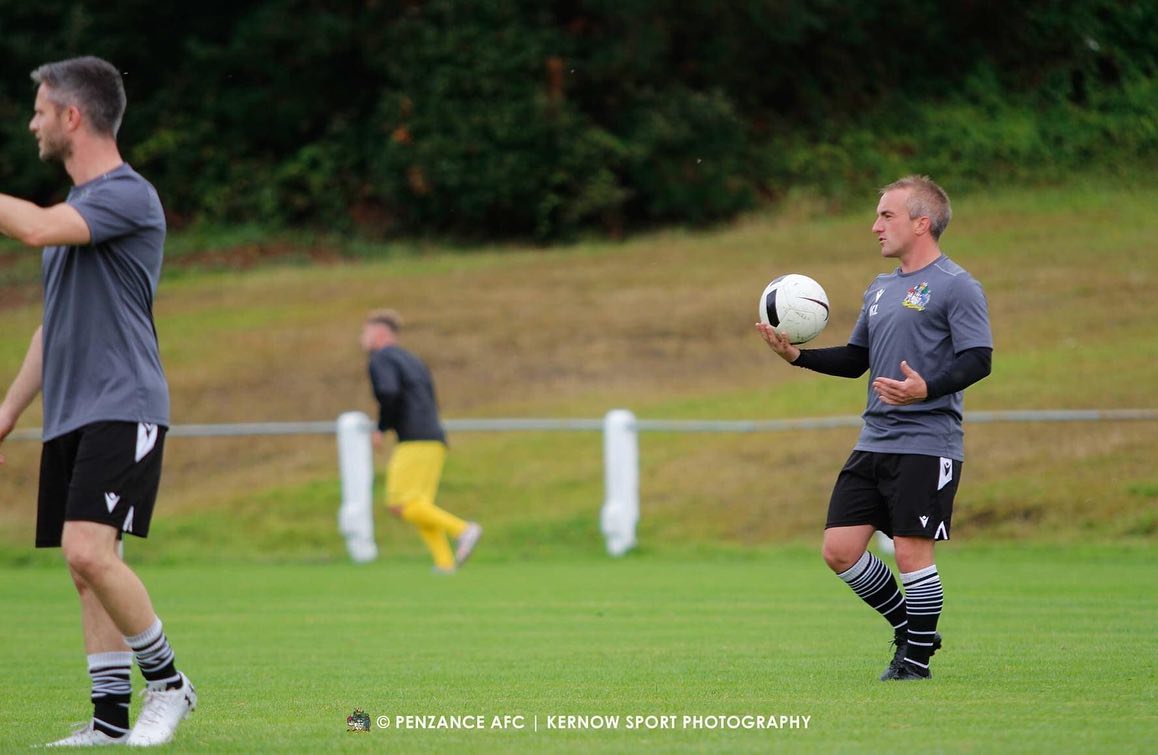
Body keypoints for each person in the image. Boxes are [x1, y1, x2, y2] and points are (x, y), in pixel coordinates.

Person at [0, 57, 196, 745]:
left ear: (72, 115)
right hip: (74, 411)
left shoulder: (127, 195)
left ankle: (169, 684)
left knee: (89, 552)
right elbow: (52, 330)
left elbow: (31, 227)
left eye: (40, 111)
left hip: (124, 403)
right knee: (85, 569)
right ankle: (109, 721)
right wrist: (9, 411)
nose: (33, 124)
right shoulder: (75, 212)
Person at [757, 175, 992, 681]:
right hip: (875, 440)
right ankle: (912, 628)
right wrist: (796, 356)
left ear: (921, 223)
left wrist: (925, 388)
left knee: (910, 554)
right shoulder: (880, 288)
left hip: (928, 443)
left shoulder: (957, 285)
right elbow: (855, 359)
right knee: (839, 550)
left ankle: (915, 664)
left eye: (886, 216)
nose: (875, 226)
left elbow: (979, 359)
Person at [360, 309, 482, 573]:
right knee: (419, 505)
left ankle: (463, 530)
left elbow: (388, 392)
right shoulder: (412, 359)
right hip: (434, 438)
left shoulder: (381, 358)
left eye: (365, 332)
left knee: (399, 504)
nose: (363, 338)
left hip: (414, 439)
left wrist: (381, 427)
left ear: (379, 333)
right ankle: (444, 562)